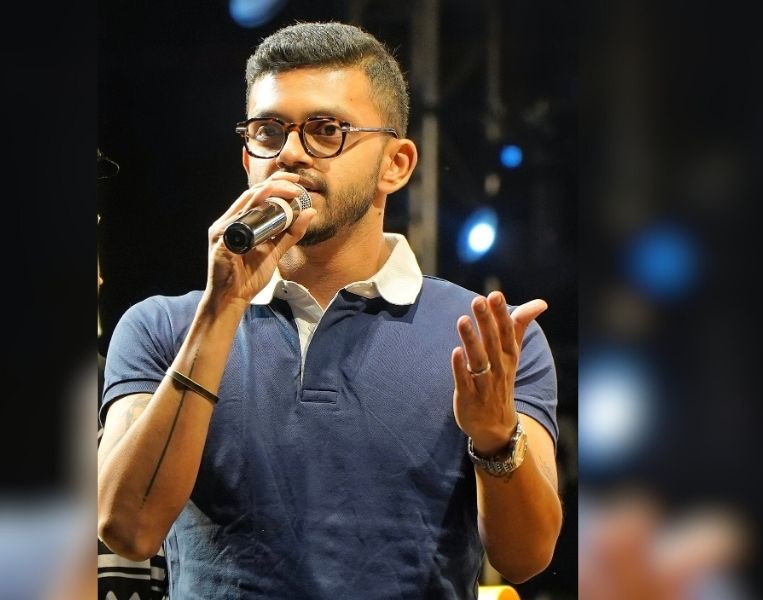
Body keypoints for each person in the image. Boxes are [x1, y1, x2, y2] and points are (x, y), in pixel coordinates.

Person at [98, 21, 562, 599]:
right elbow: (127, 529)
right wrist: (222, 309)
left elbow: (526, 559)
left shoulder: (486, 337)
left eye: (326, 130)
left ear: (396, 164)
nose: (290, 153)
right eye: (269, 131)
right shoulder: (164, 327)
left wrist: (495, 438)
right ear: (247, 158)